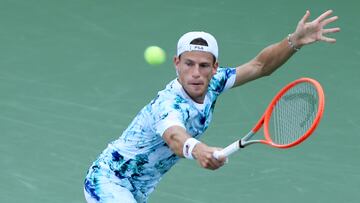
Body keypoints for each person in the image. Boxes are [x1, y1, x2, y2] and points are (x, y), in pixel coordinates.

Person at [84, 10, 340, 203]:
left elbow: (260, 66)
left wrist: (294, 41)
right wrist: (199, 150)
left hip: (139, 189)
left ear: (214, 67)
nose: (196, 73)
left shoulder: (215, 83)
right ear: (176, 63)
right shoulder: (168, 105)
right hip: (109, 180)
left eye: (204, 65)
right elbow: (174, 136)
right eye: (189, 63)